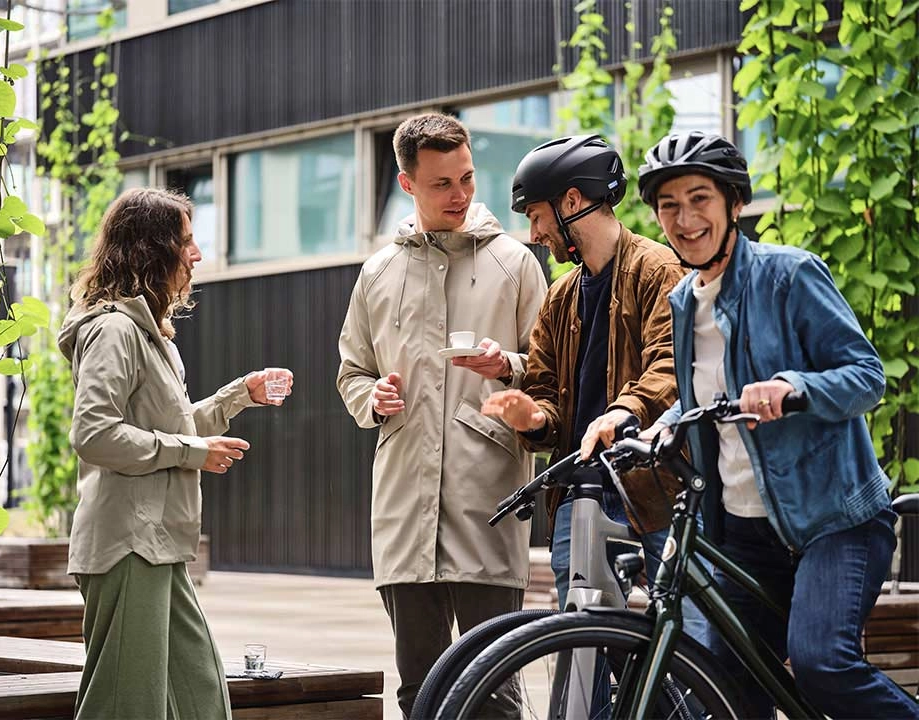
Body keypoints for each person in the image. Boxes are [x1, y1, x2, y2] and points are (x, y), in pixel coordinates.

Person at [637, 130, 919, 719]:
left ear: (733, 203)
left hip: (832, 522)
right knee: (735, 688)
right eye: (669, 206)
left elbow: (868, 376)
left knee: (823, 665)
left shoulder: (789, 275)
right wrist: (653, 427)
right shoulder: (685, 300)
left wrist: (796, 387)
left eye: (699, 199)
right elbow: (704, 400)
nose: (685, 219)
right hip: (743, 531)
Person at [336, 112, 547, 719]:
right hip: (404, 513)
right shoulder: (377, 274)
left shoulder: (516, 264)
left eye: (467, 177)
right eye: (441, 184)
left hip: (488, 506)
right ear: (407, 185)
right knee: (419, 693)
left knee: (495, 693)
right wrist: (372, 400)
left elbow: (550, 370)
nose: (460, 195)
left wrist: (504, 364)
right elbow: (352, 372)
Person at [59, 187, 294, 720]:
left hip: (159, 543)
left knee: (202, 697)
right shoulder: (114, 331)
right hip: (127, 544)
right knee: (126, 706)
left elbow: (172, 427)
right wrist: (192, 451)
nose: (197, 254)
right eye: (187, 242)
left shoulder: (151, 336)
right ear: (151, 249)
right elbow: (93, 434)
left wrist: (240, 395)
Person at [480, 134, 690, 613]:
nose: (534, 234)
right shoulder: (560, 296)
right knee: (582, 649)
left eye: (535, 216)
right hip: (581, 494)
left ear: (572, 201)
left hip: (655, 491)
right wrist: (533, 417)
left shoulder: (658, 270)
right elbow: (546, 391)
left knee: (677, 643)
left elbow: (671, 367)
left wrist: (622, 412)